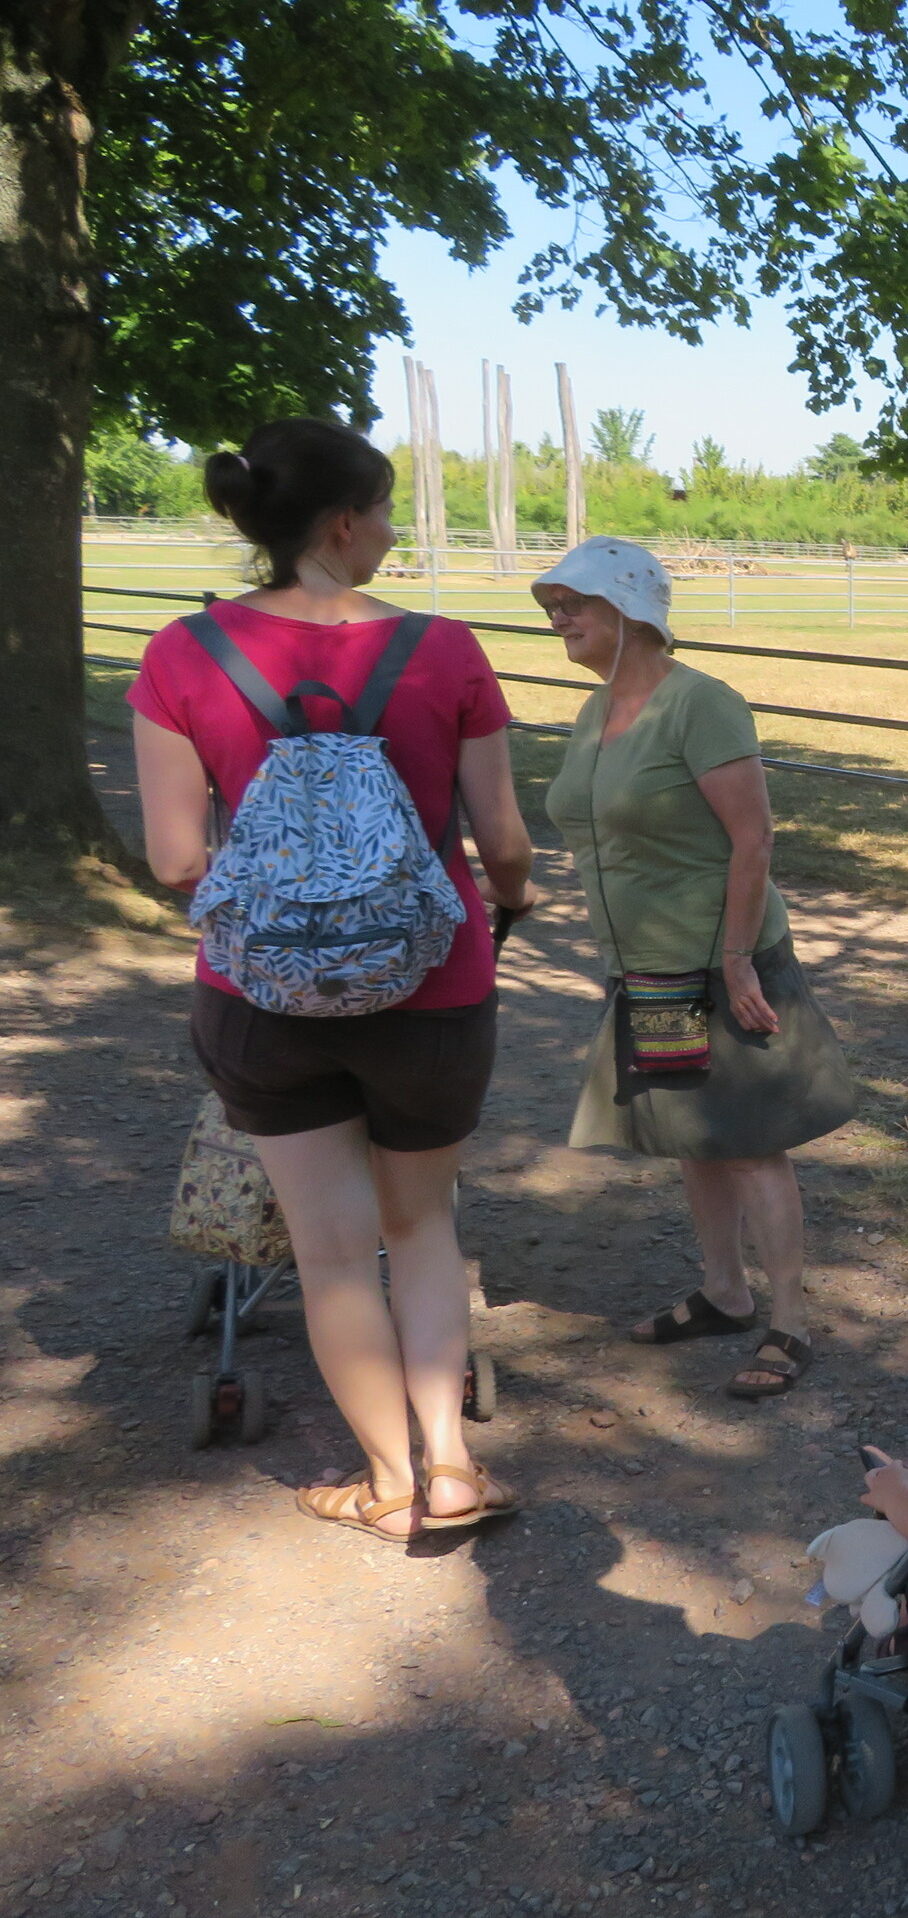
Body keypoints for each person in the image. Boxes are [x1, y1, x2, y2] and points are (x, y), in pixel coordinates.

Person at [131, 416, 534, 1543]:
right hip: (433, 991)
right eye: (388, 512)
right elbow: (503, 841)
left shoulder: (182, 654)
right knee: (423, 1226)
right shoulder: (444, 650)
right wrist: (513, 897)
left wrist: (285, 898)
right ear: (346, 524)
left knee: (331, 1250)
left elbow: (174, 860)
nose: (393, 532)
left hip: (262, 1001)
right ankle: (453, 1468)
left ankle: (388, 1485)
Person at [534, 537, 855, 1400]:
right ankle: (725, 1291)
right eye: (552, 604)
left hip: (723, 965)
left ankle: (791, 1321)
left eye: (573, 601)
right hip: (646, 970)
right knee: (694, 1138)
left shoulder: (701, 704)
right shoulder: (595, 712)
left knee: (749, 1145)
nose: (558, 616)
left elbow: (754, 837)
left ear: (630, 609)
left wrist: (738, 959)